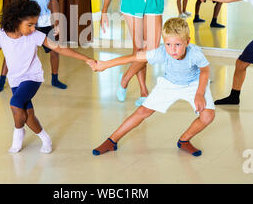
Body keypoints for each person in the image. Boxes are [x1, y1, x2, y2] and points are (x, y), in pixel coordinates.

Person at [0, 0, 95, 153]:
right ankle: (45, 138)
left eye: (35, 24)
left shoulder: (35, 35)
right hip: (15, 80)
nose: (33, 28)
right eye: (30, 25)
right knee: (28, 115)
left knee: (15, 103)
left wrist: (86, 58)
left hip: (32, 77)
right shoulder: (1, 34)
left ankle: (18, 133)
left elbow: (58, 48)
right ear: (16, 20)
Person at [89, 17, 215, 157]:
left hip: (194, 84)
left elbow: (205, 71)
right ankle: (112, 141)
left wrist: (199, 93)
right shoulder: (161, 52)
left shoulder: (195, 53)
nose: (172, 50)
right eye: (168, 44)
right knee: (143, 112)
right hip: (170, 83)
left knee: (207, 116)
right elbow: (135, 57)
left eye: (178, 44)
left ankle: (184, 140)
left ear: (187, 41)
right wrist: (105, 65)